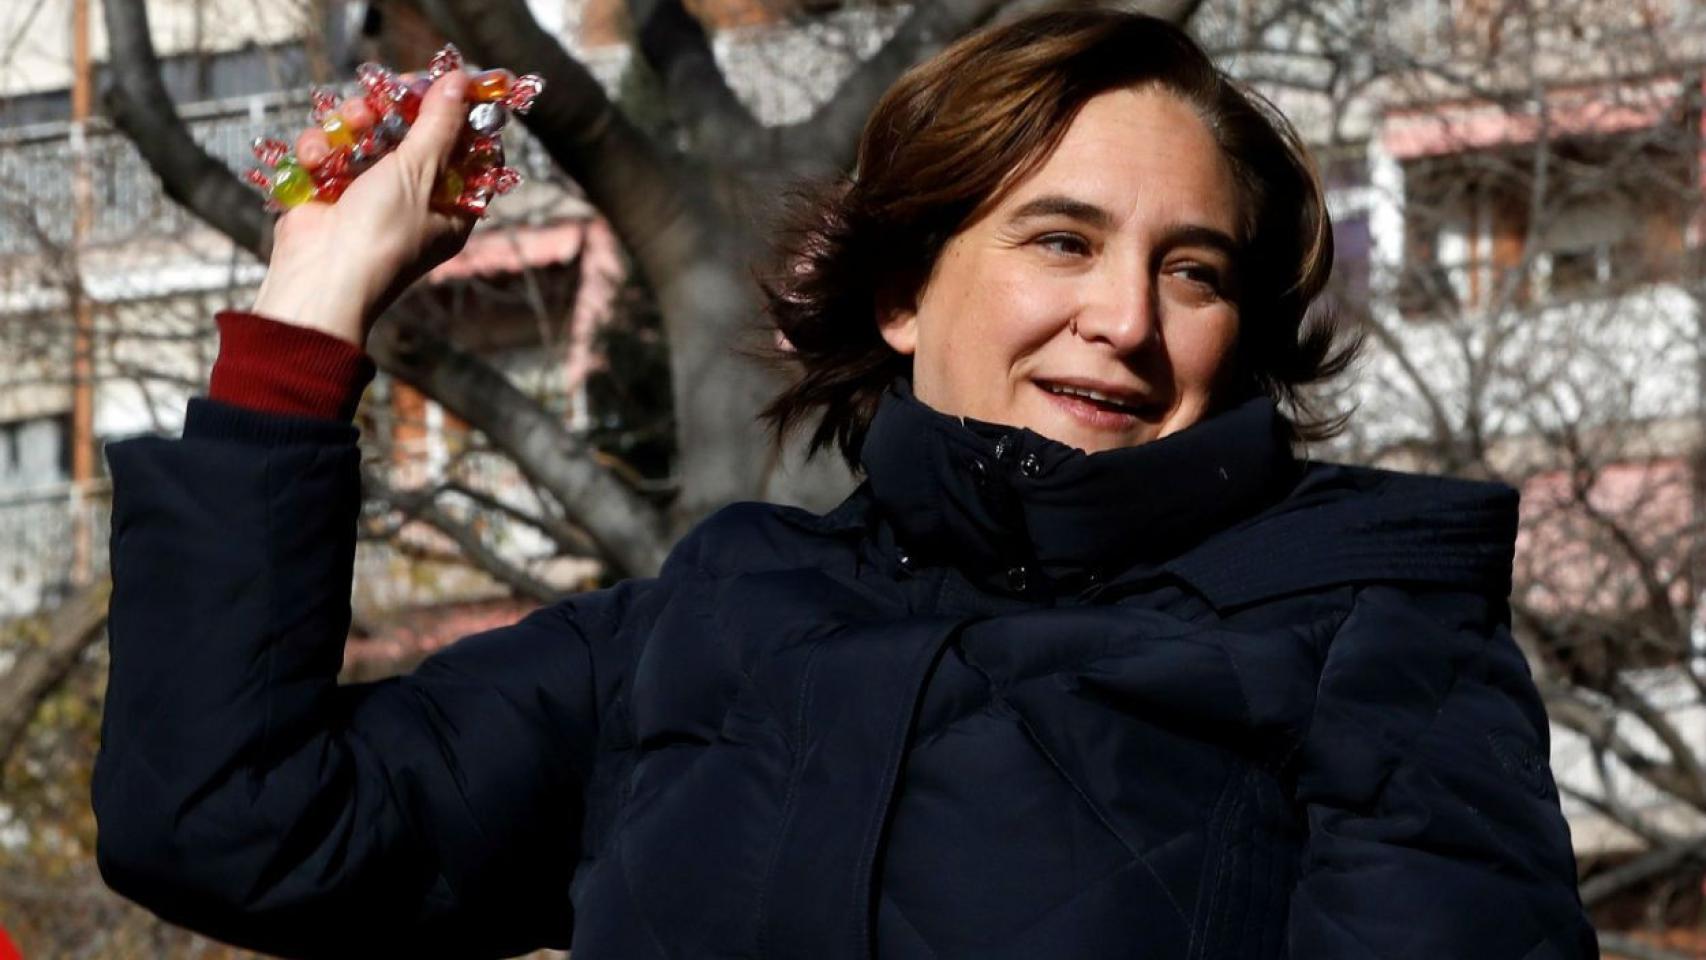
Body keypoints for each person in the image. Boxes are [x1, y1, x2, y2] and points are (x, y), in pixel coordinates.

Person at [93, 10, 1597, 959]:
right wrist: (310, 309)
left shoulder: (1364, 629)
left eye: (1190, 271)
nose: (1125, 321)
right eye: (1059, 241)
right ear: (897, 293)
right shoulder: (713, 612)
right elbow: (237, 823)